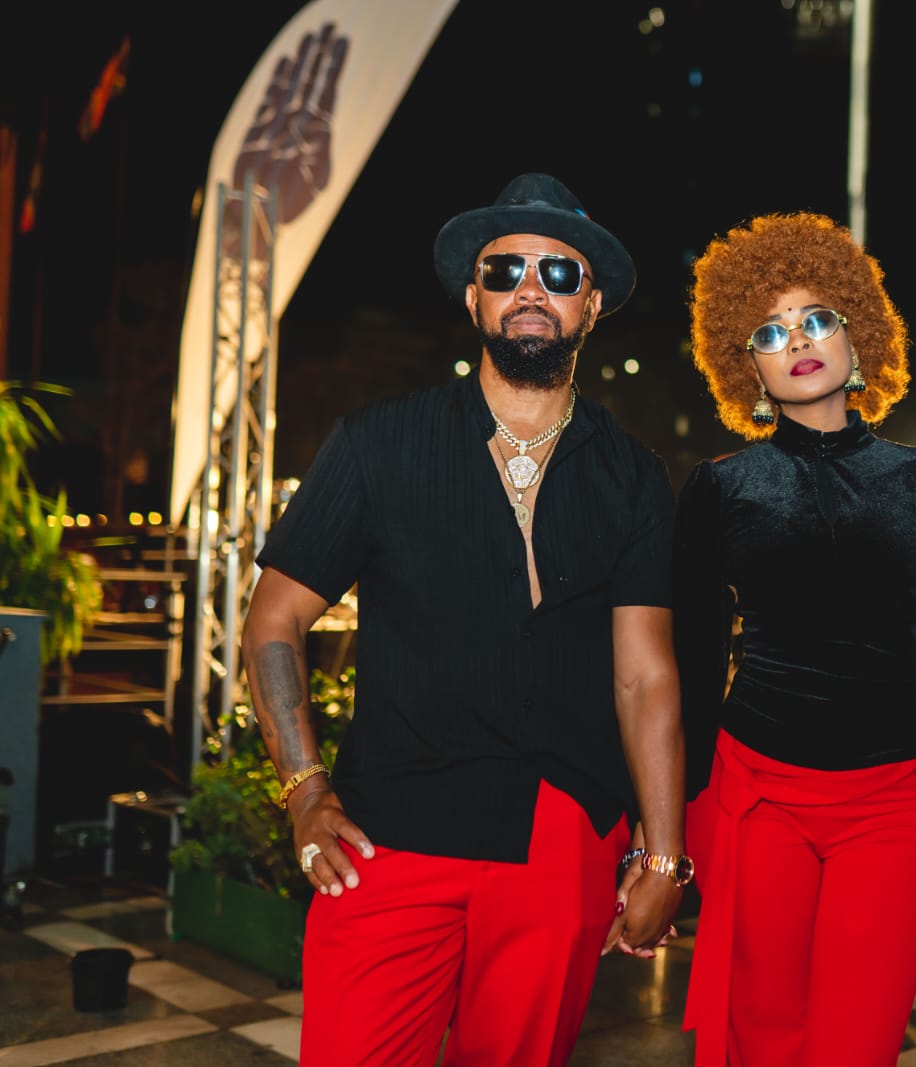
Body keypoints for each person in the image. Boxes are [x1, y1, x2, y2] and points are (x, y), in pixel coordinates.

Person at [240, 173, 689, 1067]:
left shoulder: (633, 474)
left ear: (592, 303)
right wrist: (306, 789)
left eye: (559, 273)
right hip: (390, 831)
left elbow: (645, 675)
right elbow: (275, 619)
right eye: (505, 269)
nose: (531, 288)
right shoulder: (377, 443)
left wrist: (665, 857)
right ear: (474, 296)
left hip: (558, 838)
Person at [671, 211, 916, 1065]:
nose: (796, 339)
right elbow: (685, 666)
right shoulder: (720, 488)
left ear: (859, 338)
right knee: (764, 1039)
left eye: (816, 317)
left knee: (855, 1043)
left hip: (896, 804)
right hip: (755, 796)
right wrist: (662, 833)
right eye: (769, 330)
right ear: (749, 370)